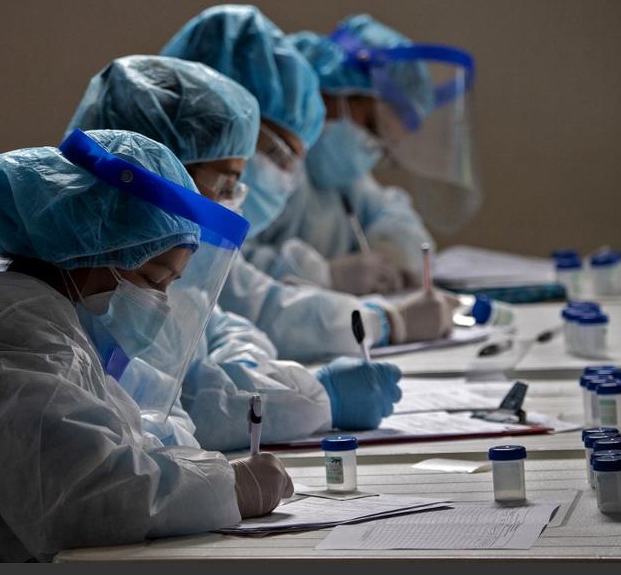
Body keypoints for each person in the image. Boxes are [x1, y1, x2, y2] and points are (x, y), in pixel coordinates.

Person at [0, 129, 295, 562]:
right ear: (89, 252)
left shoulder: (26, 309)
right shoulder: (9, 327)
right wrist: (232, 489)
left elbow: (101, 446)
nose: (160, 303)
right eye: (153, 279)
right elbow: (86, 499)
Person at [68, 54, 402, 451]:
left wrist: (245, 370)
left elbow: (228, 327)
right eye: (225, 184)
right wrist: (318, 398)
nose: (233, 201)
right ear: (161, 170)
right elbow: (180, 409)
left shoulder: (170, 267)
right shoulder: (101, 282)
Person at [161, 4, 456, 363]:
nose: (289, 173)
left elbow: (229, 324)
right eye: (276, 152)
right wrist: (380, 319)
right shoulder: (161, 214)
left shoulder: (325, 171)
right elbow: (246, 301)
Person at [246, 14, 477, 295]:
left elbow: (392, 214)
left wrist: (394, 253)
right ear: (325, 88)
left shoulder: (339, 175)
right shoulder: (258, 163)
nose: (370, 146)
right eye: (371, 125)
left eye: (385, 143)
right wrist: (325, 276)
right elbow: (224, 270)